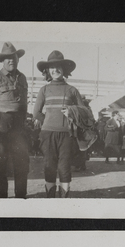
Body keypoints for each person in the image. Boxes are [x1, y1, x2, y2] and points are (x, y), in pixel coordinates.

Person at [33, 50, 88, 198]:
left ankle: (63, 202)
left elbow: (84, 113)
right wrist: (50, 121)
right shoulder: (43, 90)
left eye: (59, 67)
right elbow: (36, 113)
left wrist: (72, 111)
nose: (55, 70)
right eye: (52, 67)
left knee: (64, 168)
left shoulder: (72, 90)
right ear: (47, 71)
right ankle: (50, 200)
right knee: (49, 167)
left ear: (64, 70)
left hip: (67, 135)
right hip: (47, 134)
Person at [0, 42, 30, 198]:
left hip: (18, 126)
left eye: (13, 57)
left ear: (18, 59)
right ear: (3, 60)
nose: (11, 60)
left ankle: (21, 198)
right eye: (7, 58)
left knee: (22, 163)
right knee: (0, 164)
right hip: (1, 125)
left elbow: (23, 104)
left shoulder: (22, 78)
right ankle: (1, 201)